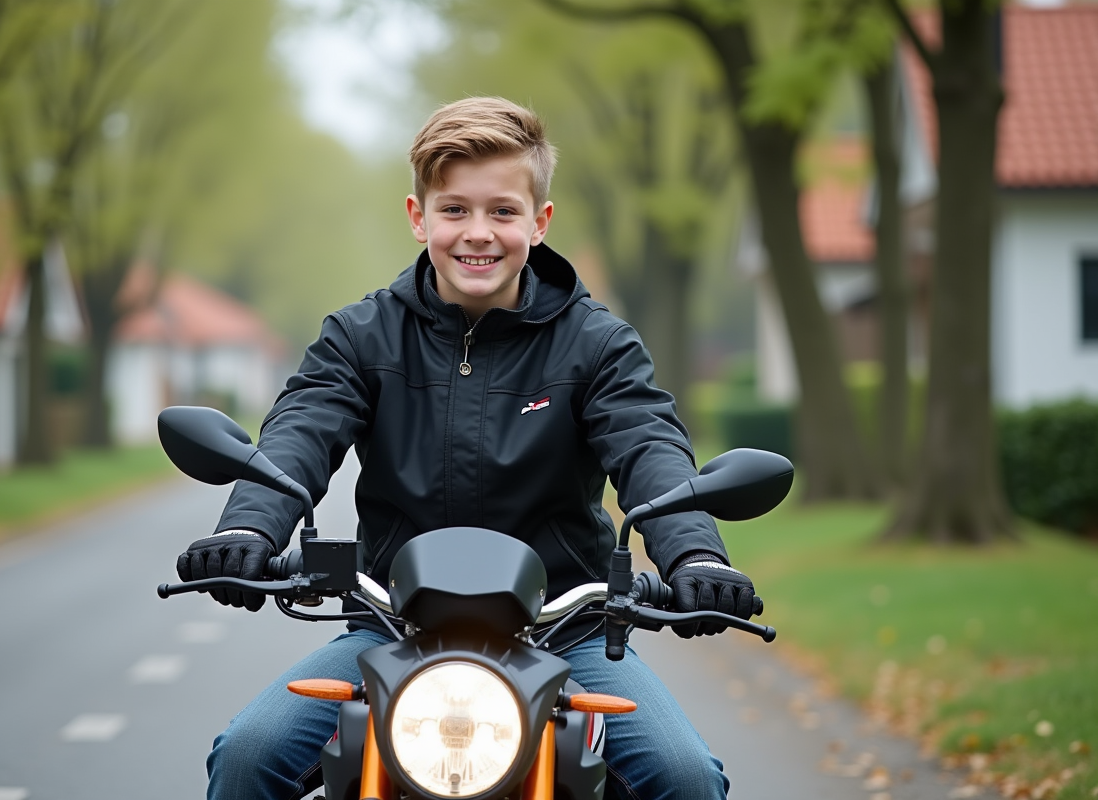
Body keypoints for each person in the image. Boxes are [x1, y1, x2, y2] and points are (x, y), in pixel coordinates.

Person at [177, 96, 759, 800]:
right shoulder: (361, 336)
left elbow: (649, 449)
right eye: (454, 210)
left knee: (687, 776)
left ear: (539, 223)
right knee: (245, 756)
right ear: (418, 216)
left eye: (502, 211)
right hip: (391, 631)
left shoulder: (598, 344)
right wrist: (248, 528)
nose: (477, 233)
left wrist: (695, 555)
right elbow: (299, 432)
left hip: (564, 634)